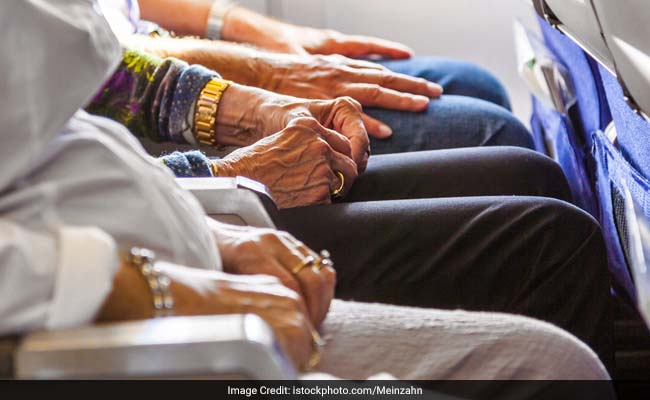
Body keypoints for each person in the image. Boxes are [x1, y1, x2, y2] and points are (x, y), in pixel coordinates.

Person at [0, 0, 615, 392]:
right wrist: (221, 177)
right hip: (108, 303)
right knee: (547, 278)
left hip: (178, 213)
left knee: (520, 169)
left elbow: (91, 71)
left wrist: (244, 103)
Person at [101, 0, 535, 153]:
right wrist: (265, 75)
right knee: (495, 136)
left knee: (473, 84)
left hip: (158, 51)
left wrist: (266, 34)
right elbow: (100, 61)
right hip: (130, 112)